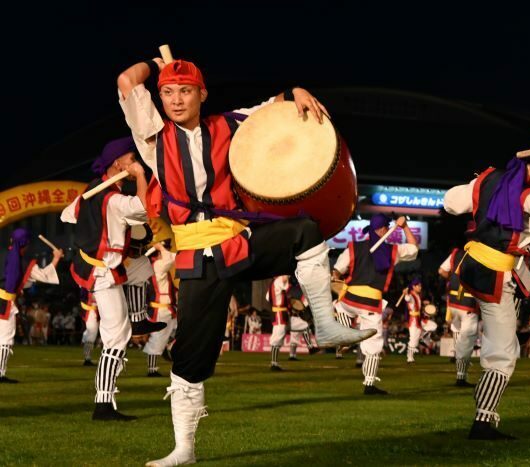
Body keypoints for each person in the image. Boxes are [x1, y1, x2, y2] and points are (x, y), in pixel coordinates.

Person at [117, 56, 373, 466]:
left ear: (202, 94)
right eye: (167, 93)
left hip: (238, 242)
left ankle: (325, 324)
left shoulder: (229, 125)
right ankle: (184, 448)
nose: (176, 100)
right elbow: (128, 80)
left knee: (304, 230)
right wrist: (154, 64)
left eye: (185, 91)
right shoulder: (151, 136)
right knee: (190, 358)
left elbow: (273, 108)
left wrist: (295, 92)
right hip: (197, 256)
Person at [443, 140, 530, 440]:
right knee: (503, 352)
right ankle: (483, 421)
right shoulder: (527, 197)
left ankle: (482, 414)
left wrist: (477, 185)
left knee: (502, 342)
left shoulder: (488, 179)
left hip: (475, 265)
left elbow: (451, 202)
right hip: (496, 274)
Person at [61, 136, 149, 421]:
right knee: (116, 339)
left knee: (144, 267)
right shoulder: (112, 199)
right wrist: (142, 177)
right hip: (103, 272)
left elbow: (67, 215)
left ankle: (139, 317)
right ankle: (103, 403)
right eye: (131, 159)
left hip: (99, 268)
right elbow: (144, 208)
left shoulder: (93, 191)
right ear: (119, 163)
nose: (135, 163)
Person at [333, 213, 418, 394]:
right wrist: (404, 228)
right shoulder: (392, 251)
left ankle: (343, 331)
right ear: (381, 230)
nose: (388, 230)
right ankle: (369, 384)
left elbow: (337, 271)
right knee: (373, 346)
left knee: (340, 305)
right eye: (387, 228)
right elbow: (414, 248)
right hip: (370, 303)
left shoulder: (353, 248)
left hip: (349, 299)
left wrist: (337, 278)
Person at [0, 228, 62, 383]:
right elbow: (44, 276)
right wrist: (56, 258)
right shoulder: (25, 262)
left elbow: (20, 281)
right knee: (5, 339)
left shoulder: (5, 256)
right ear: (26, 244)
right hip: (4, 302)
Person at [439, 248, 480, 387]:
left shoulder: (456, 253)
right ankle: (461, 376)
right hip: (468, 303)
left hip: (454, 302)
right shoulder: (483, 254)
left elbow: (442, 271)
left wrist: (454, 279)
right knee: (466, 341)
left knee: (457, 332)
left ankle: (459, 365)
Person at [143, 242, 178, 377]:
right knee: (157, 339)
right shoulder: (157, 265)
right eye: (165, 250)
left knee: (178, 329)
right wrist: (160, 247)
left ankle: (166, 345)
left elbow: (173, 257)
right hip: (161, 309)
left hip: (167, 309)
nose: (167, 252)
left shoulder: (156, 265)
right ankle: (152, 370)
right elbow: (170, 258)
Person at [80, 289, 99, 366]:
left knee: (91, 335)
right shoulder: (87, 288)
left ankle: (87, 357)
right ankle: (87, 358)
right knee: (91, 336)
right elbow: (91, 298)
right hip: (91, 311)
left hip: (93, 311)